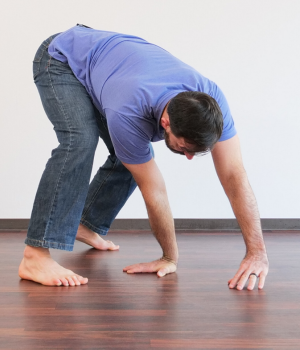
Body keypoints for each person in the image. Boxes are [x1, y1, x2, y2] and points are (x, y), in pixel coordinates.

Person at [19, 24, 269, 291]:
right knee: (80, 141)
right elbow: (154, 190)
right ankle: (35, 256)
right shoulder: (129, 111)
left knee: (131, 154)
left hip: (107, 66)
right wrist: (169, 257)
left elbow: (234, 175)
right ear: (165, 121)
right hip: (61, 58)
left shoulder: (210, 101)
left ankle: (84, 224)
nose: (187, 157)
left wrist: (257, 252)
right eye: (184, 148)